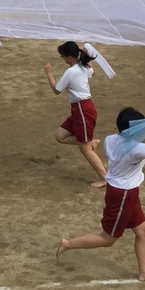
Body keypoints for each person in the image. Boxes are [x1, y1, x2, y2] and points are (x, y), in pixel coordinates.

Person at [56, 108, 145, 281]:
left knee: (142, 231)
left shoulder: (111, 139)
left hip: (127, 193)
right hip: (123, 195)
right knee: (108, 238)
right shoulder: (134, 149)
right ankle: (68, 244)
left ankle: (144, 272)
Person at [43, 42, 107, 188]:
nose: (62, 59)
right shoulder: (84, 66)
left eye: (63, 56)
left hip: (82, 110)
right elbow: (93, 71)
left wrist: (49, 73)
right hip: (80, 109)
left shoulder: (70, 72)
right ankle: (91, 142)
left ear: (70, 57)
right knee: (60, 136)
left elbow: (56, 90)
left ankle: (105, 177)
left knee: (85, 149)